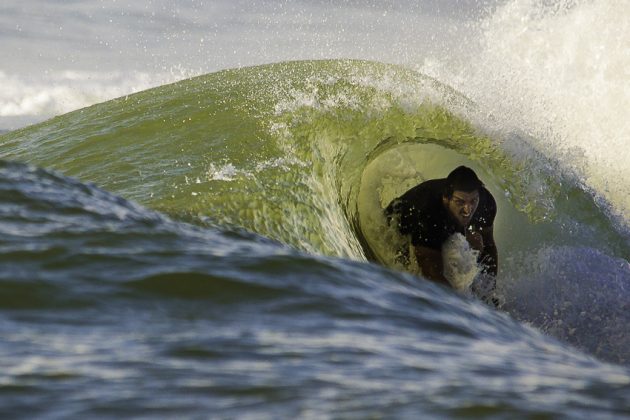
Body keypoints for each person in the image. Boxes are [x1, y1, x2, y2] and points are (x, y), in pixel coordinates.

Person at [385, 166, 498, 290]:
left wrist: (490, 292)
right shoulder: (429, 213)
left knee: (477, 243)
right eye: (460, 202)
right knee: (411, 272)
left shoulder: (485, 202)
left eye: (473, 201)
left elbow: (489, 246)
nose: (468, 210)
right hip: (396, 226)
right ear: (446, 198)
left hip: (445, 221)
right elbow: (433, 276)